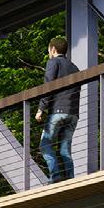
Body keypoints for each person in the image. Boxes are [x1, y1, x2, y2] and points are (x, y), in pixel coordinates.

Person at [37, 35, 79, 180]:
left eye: (49, 49)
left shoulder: (53, 62)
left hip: (58, 111)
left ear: (53, 49)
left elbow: (48, 85)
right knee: (64, 149)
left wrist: (41, 108)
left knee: (45, 145)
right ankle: (70, 179)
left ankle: (55, 177)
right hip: (73, 113)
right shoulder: (74, 67)